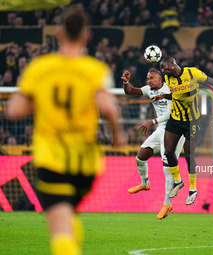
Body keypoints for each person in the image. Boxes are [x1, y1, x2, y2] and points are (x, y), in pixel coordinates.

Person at [6, 7, 123, 255]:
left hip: (52, 159)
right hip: (86, 163)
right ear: (87, 36)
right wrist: (117, 135)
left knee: (60, 232)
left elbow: (14, 110)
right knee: (68, 215)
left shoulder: (40, 67)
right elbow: (108, 107)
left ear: (58, 33)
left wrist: (40, 101)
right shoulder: (95, 69)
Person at [121, 69, 185, 219]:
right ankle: (145, 184)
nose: (149, 80)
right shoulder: (149, 90)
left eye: (152, 78)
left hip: (175, 131)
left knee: (167, 168)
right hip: (161, 130)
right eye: (147, 78)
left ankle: (167, 204)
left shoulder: (170, 88)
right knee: (140, 157)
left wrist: (152, 121)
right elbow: (130, 91)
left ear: (160, 78)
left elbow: (173, 112)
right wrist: (125, 82)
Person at [156, 56, 213, 205]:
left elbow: (211, 82)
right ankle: (178, 181)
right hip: (176, 119)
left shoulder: (192, 73)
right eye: (162, 69)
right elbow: (176, 94)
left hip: (192, 120)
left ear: (173, 63)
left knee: (189, 155)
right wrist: (165, 95)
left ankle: (193, 189)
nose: (163, 71)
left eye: (165, 67)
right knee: (168, 151)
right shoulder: (168, 79)